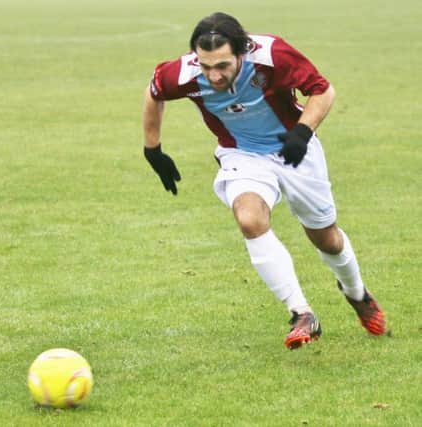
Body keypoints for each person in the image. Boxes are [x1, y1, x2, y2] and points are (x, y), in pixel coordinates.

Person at [142, 12, 386, 349]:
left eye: (223, 66)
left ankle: (357, 294)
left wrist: (302, 131)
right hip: (241, 154)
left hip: (294, 148)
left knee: (325, 237)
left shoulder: (272, 56)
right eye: (206, 65)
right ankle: (301, 312)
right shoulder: (183, 73)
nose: (213, 75)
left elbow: (323, 91)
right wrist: (152, 149)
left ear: (241, 52)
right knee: (249, 219)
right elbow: (153, 93)